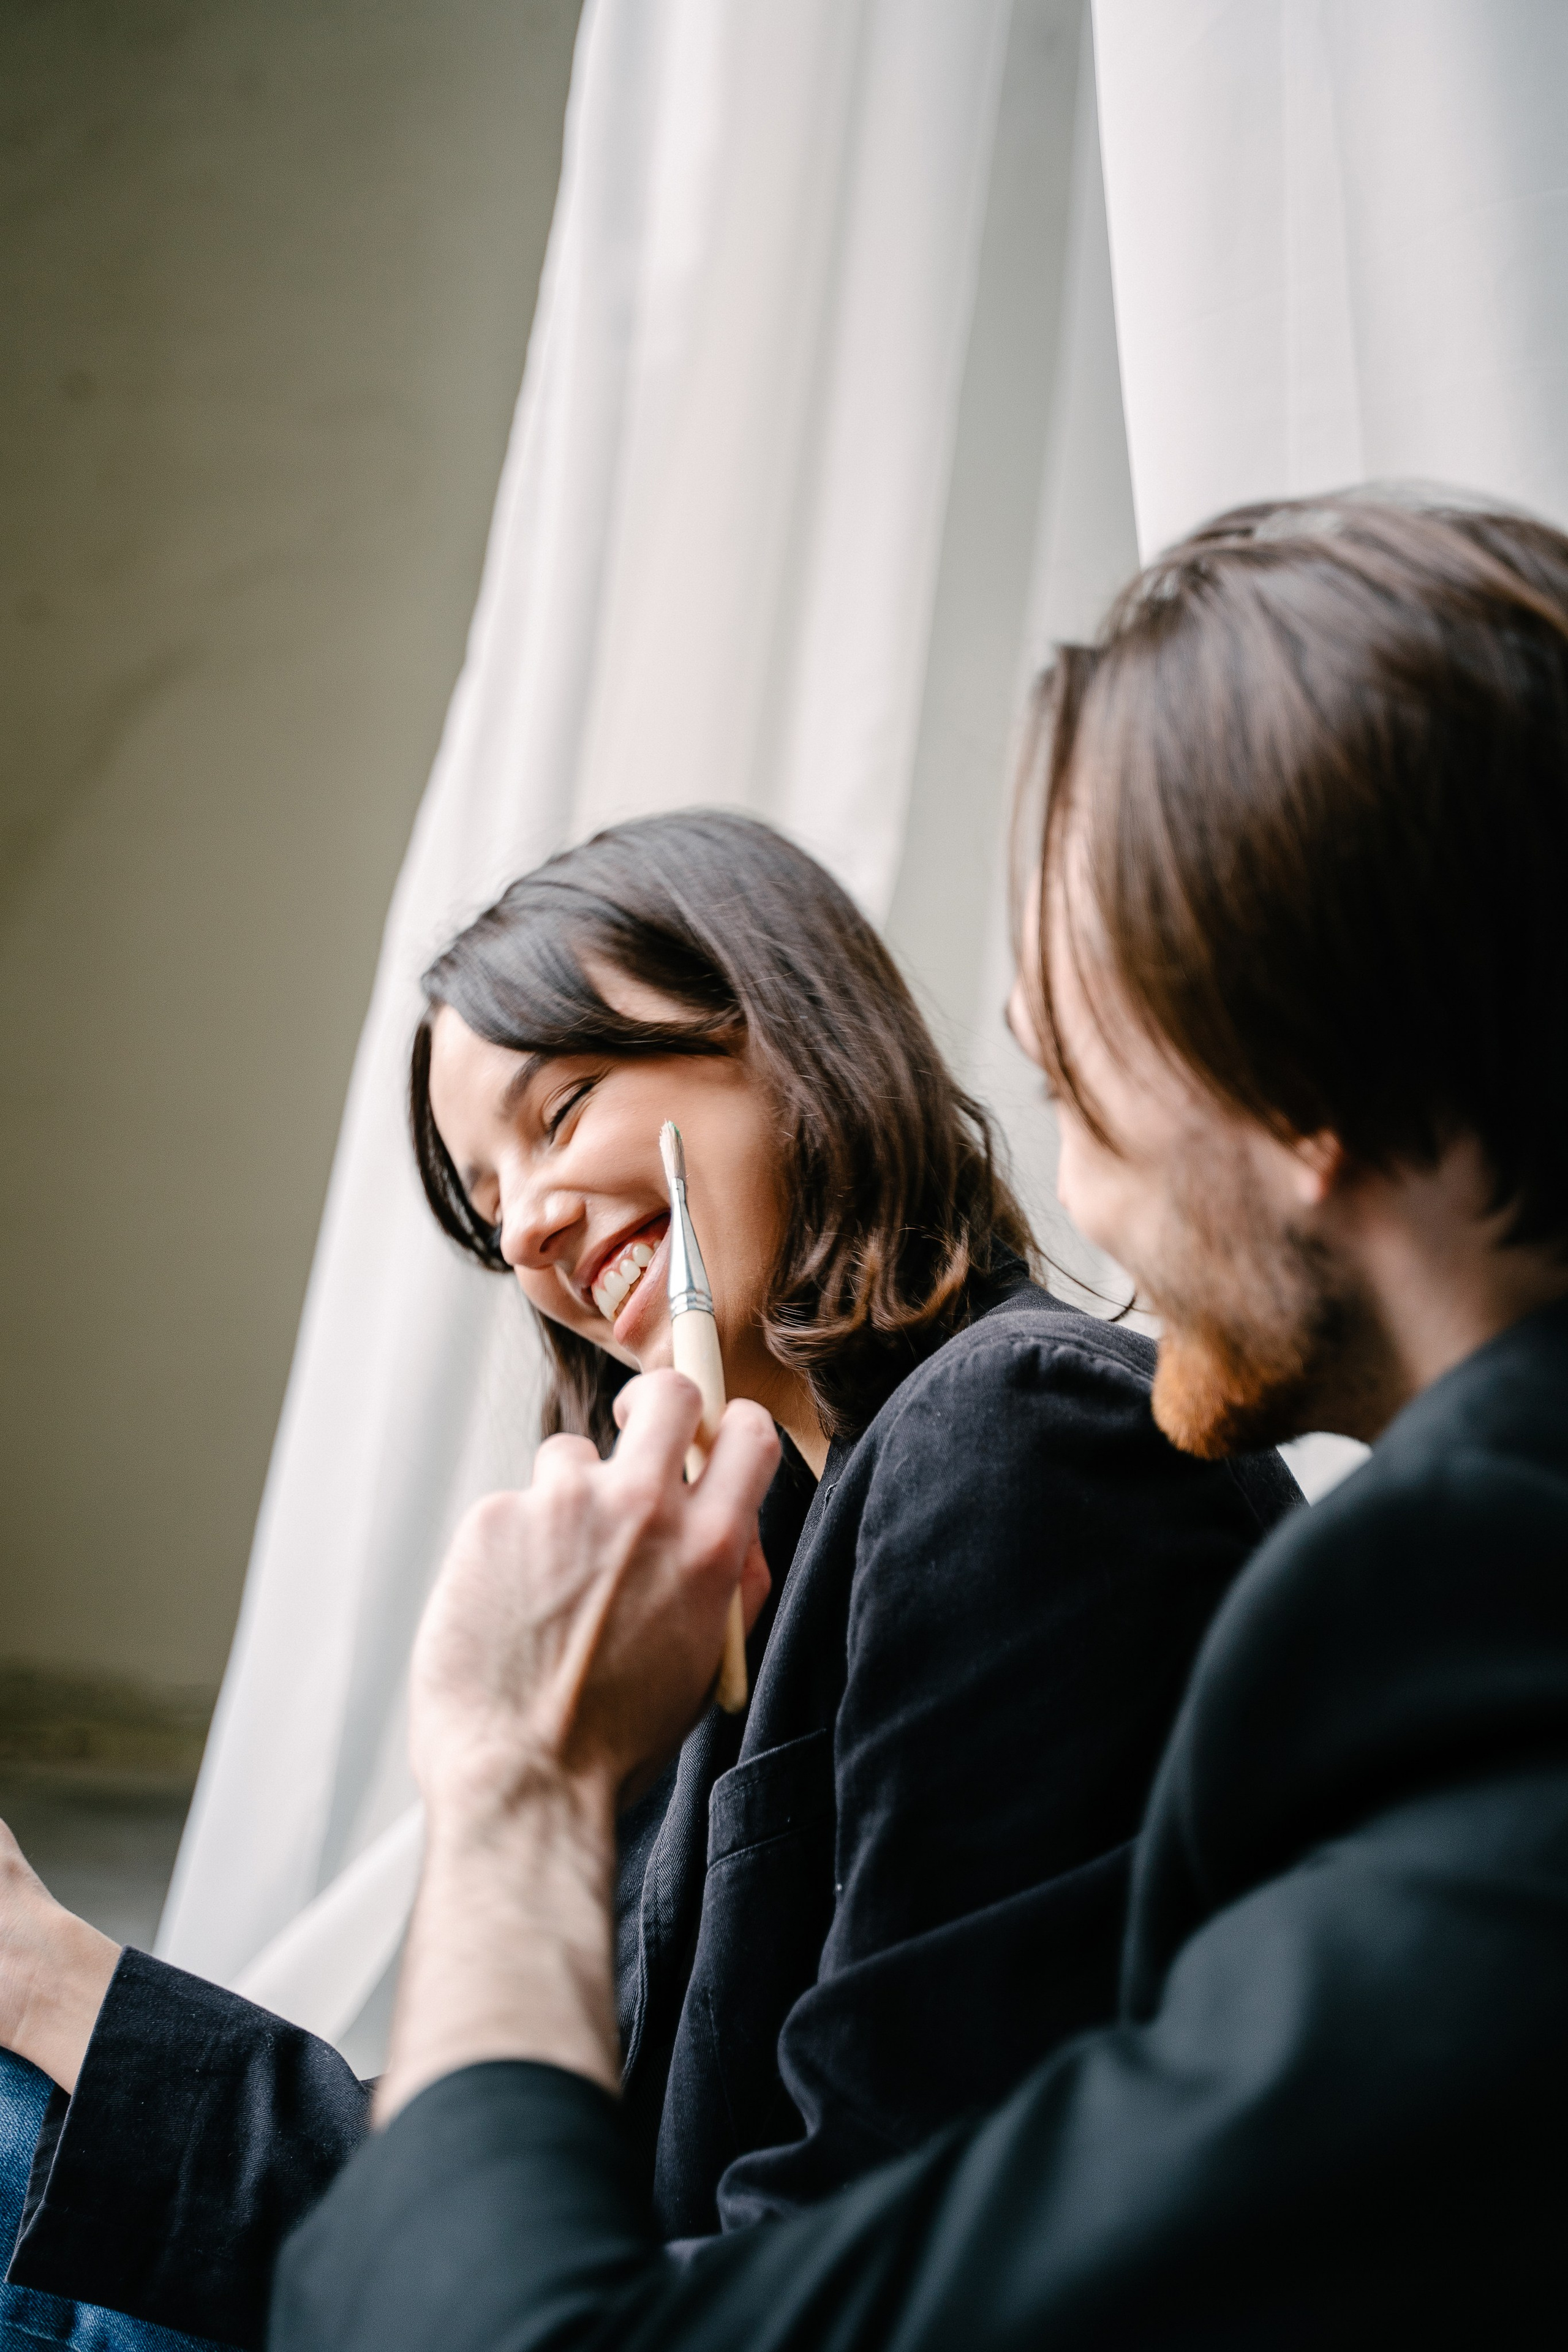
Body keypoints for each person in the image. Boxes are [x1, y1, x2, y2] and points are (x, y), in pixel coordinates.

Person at [270, 494, 1568, 2350]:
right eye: (488, 1214)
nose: (1080, 1192)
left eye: (1082, 1074)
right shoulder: (1426, 1635)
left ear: (1299, 1070)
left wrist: (511, 1779)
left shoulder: (1395, 1670)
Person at [0, 815, 1297, 2348]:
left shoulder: (1016, 1432)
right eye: (488, 1205)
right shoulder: (722, 1584)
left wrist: (509, 1770)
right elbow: (525, 2186)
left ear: (782, 1022)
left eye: (560, 1110)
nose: (526, 1228)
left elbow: (841, 2246)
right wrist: (54, 1979)